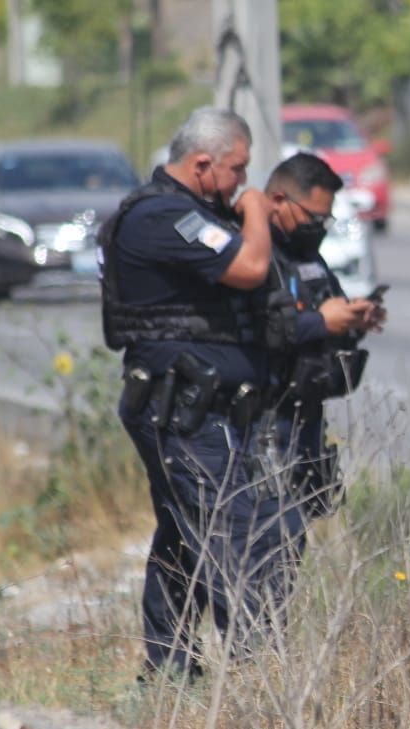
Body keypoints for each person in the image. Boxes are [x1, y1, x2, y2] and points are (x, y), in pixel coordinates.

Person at [99, 107, 300, 681]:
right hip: (181, 409)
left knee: (184, 542)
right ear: (203, 163)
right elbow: (252, 265)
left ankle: (169, 673)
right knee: (229, 536)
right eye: (237, 169)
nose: (242, 182)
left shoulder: (188, 212)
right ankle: (259, 677)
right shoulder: (165, 217)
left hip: (199, 407)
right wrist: (257, 210)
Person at [261, 152, 384, 518]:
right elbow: (255, 330)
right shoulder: (253, 255)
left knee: (301, 530)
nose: (320, 227)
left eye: (326, 219)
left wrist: (353, 318)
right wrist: (319, 322)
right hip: (267, 416)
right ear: (280, 201)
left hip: (307, 410)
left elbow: (329, 308)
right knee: (269, 534)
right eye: (314, 217)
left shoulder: (309, 257)